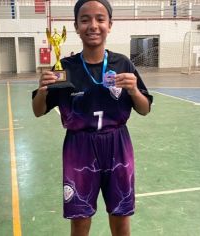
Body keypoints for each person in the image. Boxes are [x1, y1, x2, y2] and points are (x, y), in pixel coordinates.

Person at [32, 0, 153, 235]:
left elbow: (145, 109)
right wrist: (42, 89)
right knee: (80, 219)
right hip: (79, 148)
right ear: (76, 26)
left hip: (118, 145)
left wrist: (135, 91)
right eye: (85, 20)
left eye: (100, 19)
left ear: (110, 24)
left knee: (120, 216)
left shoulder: (122, 63)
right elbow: (38, 111)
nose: (93, 25)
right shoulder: (64, 67)